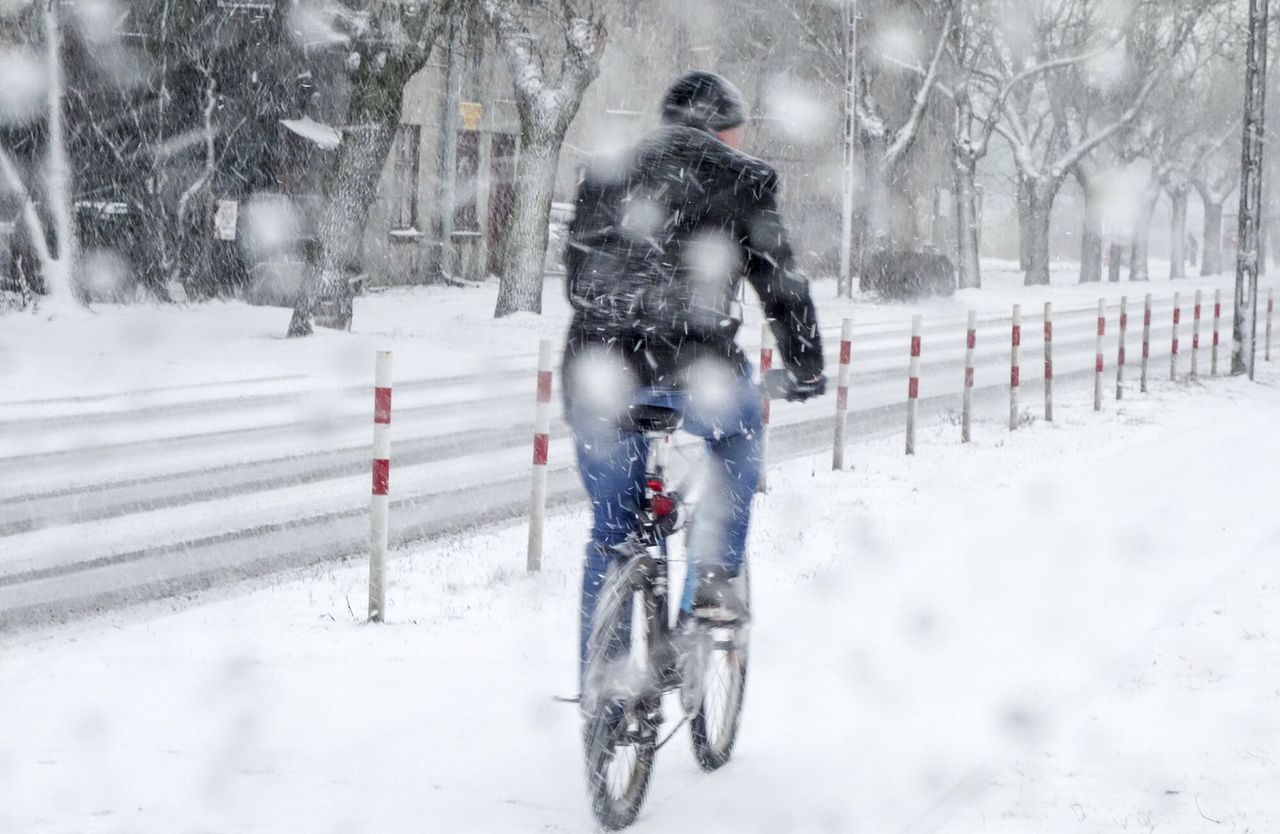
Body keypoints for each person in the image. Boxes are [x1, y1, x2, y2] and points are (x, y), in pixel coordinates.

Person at [562, 71, 826, 678]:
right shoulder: (743, 177)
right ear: (725, 132)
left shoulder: (605, 170)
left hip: (598, 372)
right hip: (691, 369)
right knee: (738, 431)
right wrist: (805, 368)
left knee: (611, 532)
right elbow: (781, 284)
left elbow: (578, 271)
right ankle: (712, 577)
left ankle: (603, 693)